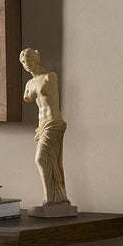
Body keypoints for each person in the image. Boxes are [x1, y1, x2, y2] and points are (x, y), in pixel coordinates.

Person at [20, 48, 71, 208]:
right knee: (51, 160)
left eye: (28, 60)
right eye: (23, 62)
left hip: (53, 122)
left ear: (36, 59)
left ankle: (51, 198)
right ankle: (58, 198)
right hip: (42, 125)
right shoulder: (29, 83)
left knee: (41, 158)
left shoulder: (50, 77)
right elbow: (28, 97)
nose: (25, 64)